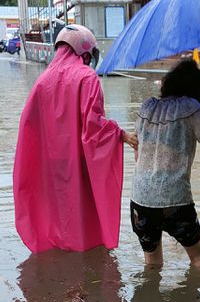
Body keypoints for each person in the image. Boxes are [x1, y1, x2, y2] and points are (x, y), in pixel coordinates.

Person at [13, 24, 137, 254]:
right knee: (81, 214)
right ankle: (84, 260)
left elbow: (29, 128)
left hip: (51, 164)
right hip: (77, 162)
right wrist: (121, 135)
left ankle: (62, 260)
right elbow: (93, 126)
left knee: (59, 213)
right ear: (86, 53)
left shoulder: (42, 81)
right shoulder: (86, 77)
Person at [131, 59, 200, 269]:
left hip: (140, 199)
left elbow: (138, 151)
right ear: (199, 89)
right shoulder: (191, 108)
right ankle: (191, 300)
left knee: (152, 265)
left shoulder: (147, 107)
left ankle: (149, 301)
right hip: (174, 201)